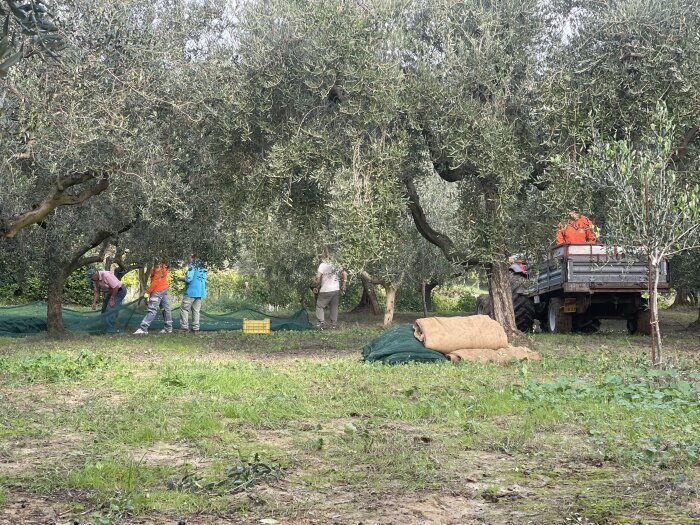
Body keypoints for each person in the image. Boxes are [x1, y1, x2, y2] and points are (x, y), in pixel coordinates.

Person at [133, 262, 173, 335]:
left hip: (157, 290)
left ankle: (143, 328)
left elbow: (155, 282)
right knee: (166, 308)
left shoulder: (158, 268)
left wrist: (148, 292)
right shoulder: (164, 265)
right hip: (164, 288)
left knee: (152, 309)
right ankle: (168, 328)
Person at [312, 261, 347, 330]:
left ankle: (321, 322)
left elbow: (318, 277)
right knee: (334, 307)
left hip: (325, 289)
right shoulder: (336, 264)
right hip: (335, 289)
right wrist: (344, 284)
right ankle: (333, 325)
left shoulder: (323, 265)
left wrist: (314, 286)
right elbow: (345, 273)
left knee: (319, 306)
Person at [179, 254, 207, 333]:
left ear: (191, 257)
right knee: (196, 310)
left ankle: (184, 328)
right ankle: (196, 329)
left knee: (184, 309)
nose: (187, 259)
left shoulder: (192, 266)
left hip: (191, 291)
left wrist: (181, 278)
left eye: (187, 257)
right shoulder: (202, 266)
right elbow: (205, 279)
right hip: (200, 292)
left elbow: (188, 279)